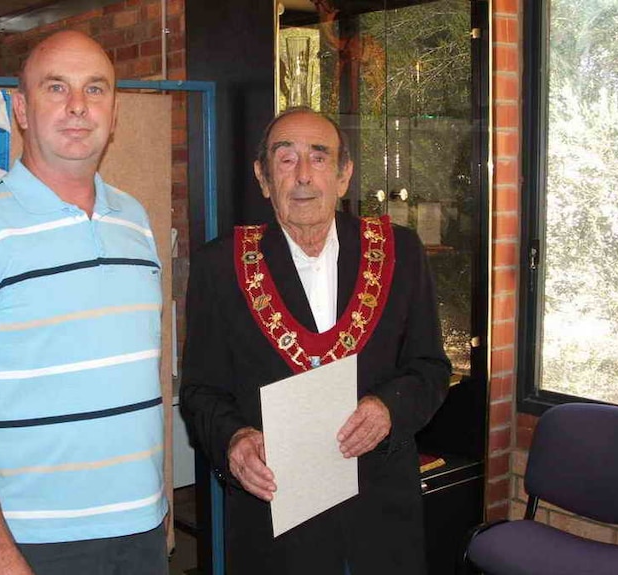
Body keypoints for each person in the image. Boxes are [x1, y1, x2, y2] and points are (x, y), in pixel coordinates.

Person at [0, 30, 167, 575]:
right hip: (34, 543)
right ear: (22, 110)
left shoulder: (135, 221)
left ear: (114, 110)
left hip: (141, 531)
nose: (78, 106)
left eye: (95, 89)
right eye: (57, 88)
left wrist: (154, 511)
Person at [180, 107, 451, 575]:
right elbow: (200, 392)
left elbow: (430, 368)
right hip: (276, 516)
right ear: (264, 178)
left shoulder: (399, 251)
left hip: (382, 511)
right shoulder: (219, 265)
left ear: (344, 176)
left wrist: (388, 407)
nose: (303, 175)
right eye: (286, 160)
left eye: (319, 158)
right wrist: (234, 439)